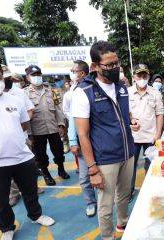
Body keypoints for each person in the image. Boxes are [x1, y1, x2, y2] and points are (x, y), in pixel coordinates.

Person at [73, 41, 138, 239]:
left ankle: (123, 224)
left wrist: (132, 120)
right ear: (94, 67)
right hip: (105, 159)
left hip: (127, 153)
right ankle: (108, 236)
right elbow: (82, 134)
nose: (114, 68)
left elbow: (123, 114)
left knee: (124, 195)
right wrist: (93, 169)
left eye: (116, 63)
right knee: (106, 203)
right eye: (108, 65)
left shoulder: (121, 87)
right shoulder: (83, 93)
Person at [0, 61, 55, 240]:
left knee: (30, 191)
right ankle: (6, 228)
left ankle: (36, 215)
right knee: (0, 200)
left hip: (22, 157)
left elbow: (24, 123)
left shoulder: (15, 98)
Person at [24, 65, 69, 186]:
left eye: (38, 74)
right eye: (33, 75)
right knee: (41, 156)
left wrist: (61, 125)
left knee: (59, 151)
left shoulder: (51, 90)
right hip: (37, 131)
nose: (37, 77)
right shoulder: (25, 93)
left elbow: (58, 108)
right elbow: (25, 116)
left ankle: (61, 169)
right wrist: (29, 134)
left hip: (53, 127)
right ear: (28, 77)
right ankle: (46, 174)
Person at [65, 60, 97, 217]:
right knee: (85, 178)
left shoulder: (96, 87)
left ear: (82, 73)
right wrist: (72, 141)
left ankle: (106, 202)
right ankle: (91, 203)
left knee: (105, 176)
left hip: (99, 141)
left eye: (73, 70)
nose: (72, 73)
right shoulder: (75, 91)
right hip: (84, 142)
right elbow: (72, 118)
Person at [1, 65, 36, 207]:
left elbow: (30, 110)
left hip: (22, 137)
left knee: (27, 168)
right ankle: (13, 194)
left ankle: (32, 192)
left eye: (9, 78)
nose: (7, 80)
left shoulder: (18, 93)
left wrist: (21, 126)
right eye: (4, 78)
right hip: (1, 144)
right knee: (6, 170)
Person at [129, 64, 164, 199]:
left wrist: (158, 134)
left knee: (151, 166)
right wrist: (131, 121)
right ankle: (130, 190)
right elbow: (126, 113)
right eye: (139, 76)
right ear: (134, 77)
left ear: (148, 76)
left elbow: (159, 114)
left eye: (145, 76)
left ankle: (150, 190)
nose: (142, 78)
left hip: (151, 137)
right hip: (133, 136)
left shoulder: (155, 93)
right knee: (130, 167)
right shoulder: (127, 92)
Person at [53, 77, 70, 153]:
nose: (58, 82)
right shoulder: (54, 92)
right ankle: (65, 144)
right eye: (56, 81)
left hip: (70, 112)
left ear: (63, 80)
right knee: (62, 130)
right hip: (61, 114)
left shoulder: (69, 90)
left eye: (59, 80)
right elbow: (55, 103)